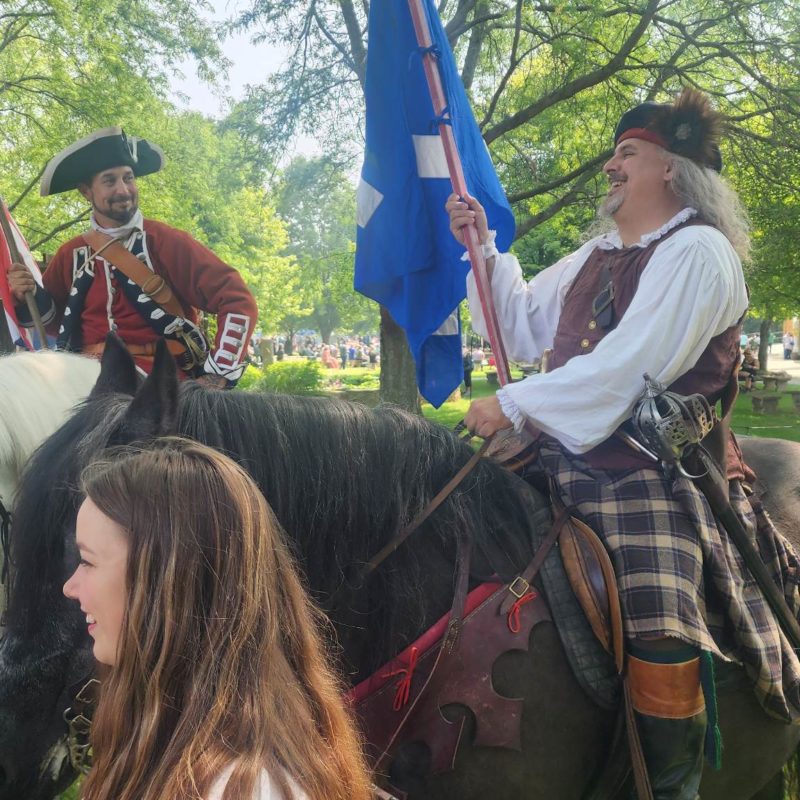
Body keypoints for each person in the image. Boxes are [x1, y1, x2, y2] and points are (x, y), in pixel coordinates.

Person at [448, 87, 800, 798]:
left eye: (627, 154)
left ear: (670, 168)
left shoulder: (700, 252)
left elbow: (631, 369)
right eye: (614, 154)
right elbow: (517, 325)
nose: (611, 166)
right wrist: (482, 247)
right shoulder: (595, 255)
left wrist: (513, 403)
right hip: (564, 452)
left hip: (654, 471)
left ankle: (670, 785)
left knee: (659, 607)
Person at [62, 438, 372, 800]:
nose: (71, 587)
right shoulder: (174, 736)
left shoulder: (244, 789)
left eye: (88, 561)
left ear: (169, 582)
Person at [8, 126, 257, 387]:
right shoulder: (71, 253)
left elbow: (236, 299)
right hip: (82, 384)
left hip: (161, 387)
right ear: (86, 191)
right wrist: (30, 293)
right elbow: (53, 324)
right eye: (109, 180)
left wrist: (219, 374)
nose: (124, 190)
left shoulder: (165, 241)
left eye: (128, 178)